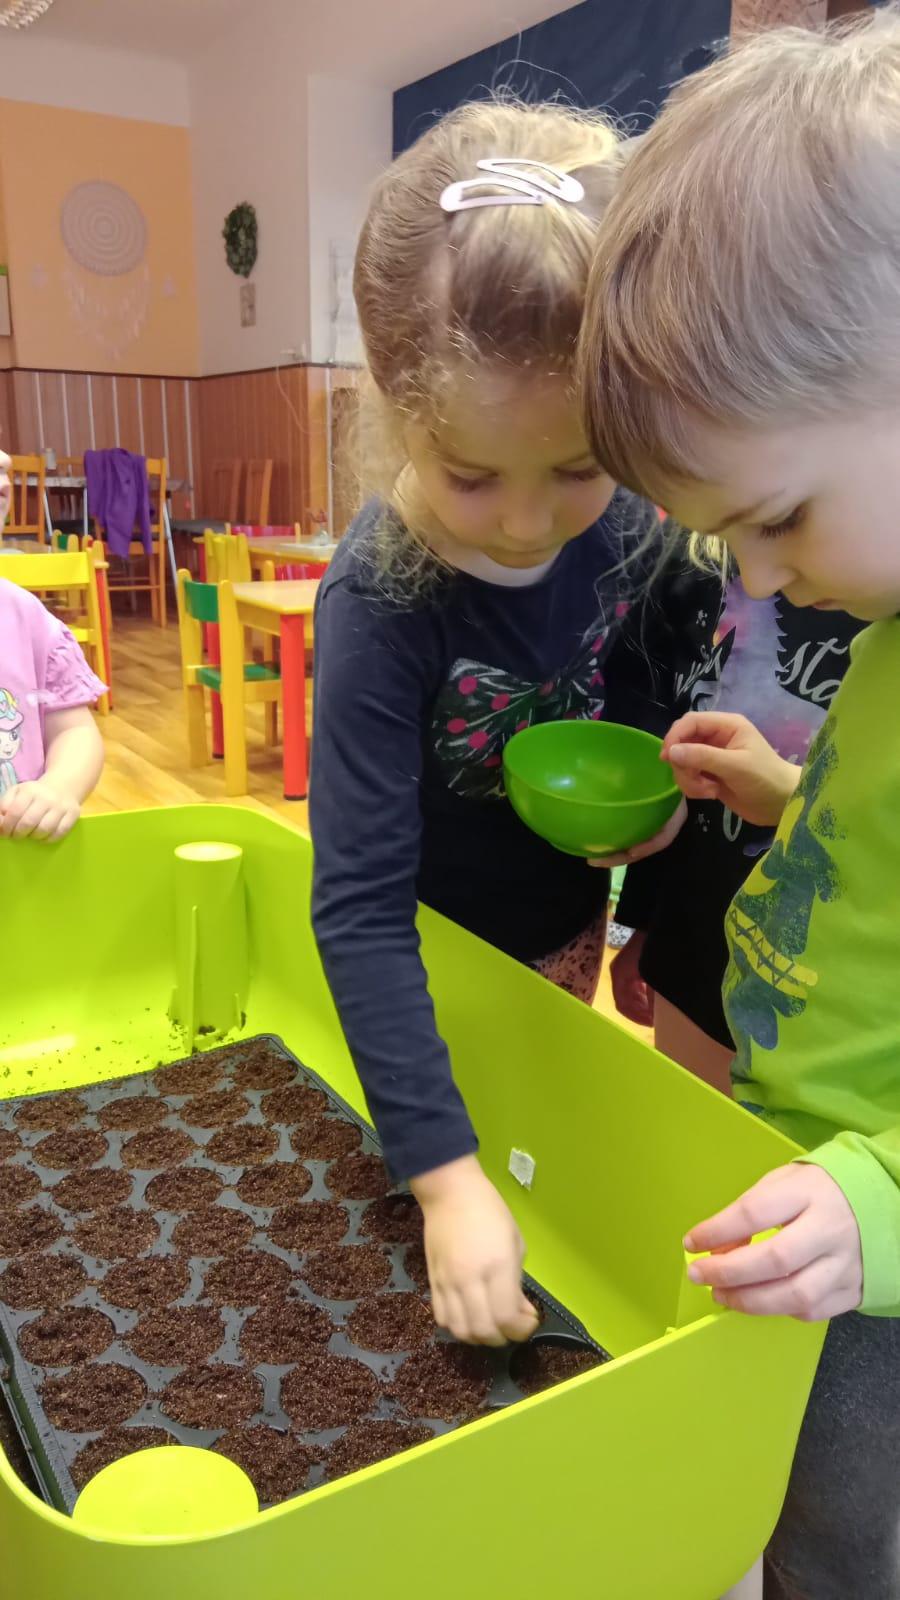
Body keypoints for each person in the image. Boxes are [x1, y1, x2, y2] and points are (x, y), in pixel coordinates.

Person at [579, 11, 900, 1597]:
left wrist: (872, 1207)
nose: (757, 582)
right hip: (794, 1154)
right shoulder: (885, 619)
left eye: (778, 517)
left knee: (841, 1531)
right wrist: (787, 797)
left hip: (869, 1241)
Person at [310, 103, 676, 1351]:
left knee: (534, 1163)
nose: (527, 523)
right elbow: (360, 910)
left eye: (575, 468)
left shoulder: (627, 520)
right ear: (393, 409)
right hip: (420, 967)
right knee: (442, 1190)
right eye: (472, 475)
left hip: (563, 933)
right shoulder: (378, 598)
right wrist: (442, 1180)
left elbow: (648, 651)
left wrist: (648, 785)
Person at [610, 552, 863, 1094]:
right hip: (694, 956)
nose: (762, 576)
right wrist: (644, 928)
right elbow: (674, 768)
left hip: (843, 1016)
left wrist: (794, 799)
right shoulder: (703, 566)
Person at [0, 450, 106, 841]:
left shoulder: (28, 619)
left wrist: (59, 787)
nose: (5, 460)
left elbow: (73, 731)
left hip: (22, 858)